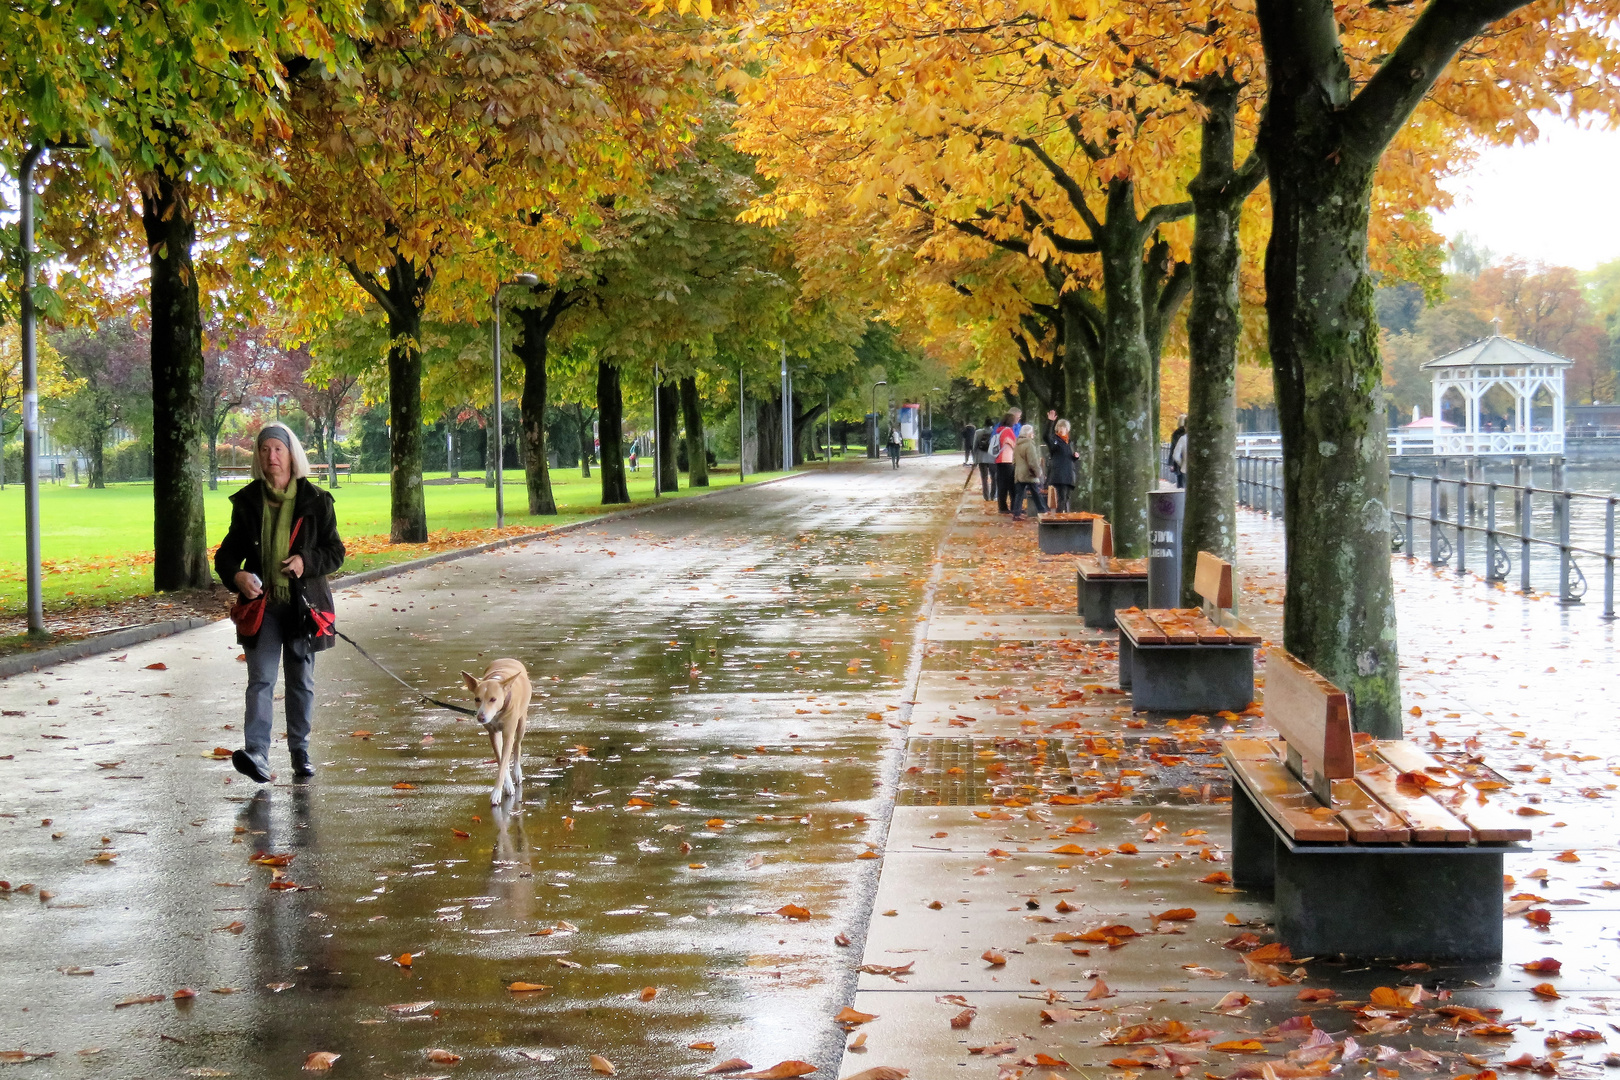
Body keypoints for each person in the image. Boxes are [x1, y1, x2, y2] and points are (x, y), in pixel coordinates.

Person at [215, 424, 346, 783]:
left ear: (291, 455)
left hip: (304, 607)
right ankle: (256, 753)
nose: (270, 456)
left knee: (300, 681)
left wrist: (305, 560)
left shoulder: (317, 501)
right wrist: (238, 577)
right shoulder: (247, 503)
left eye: (277, 449)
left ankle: (299, 750)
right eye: (264, 450)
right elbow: (226, 557)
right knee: (260, 679)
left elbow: (336, 552)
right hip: (263, 607)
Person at [1045, 411, 1081, 513]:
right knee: (1061, 498)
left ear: (1067, 429)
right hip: (1059, 474)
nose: (1062, 429)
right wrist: (1050, 422)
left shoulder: (1069, 442)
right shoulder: (1054, 441)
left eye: (1064, 427)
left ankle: (1064, 517)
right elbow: (1046, 437)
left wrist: (1075, 457)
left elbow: (1068, 457)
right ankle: (1060, 520)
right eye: (1060, 427)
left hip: (1068, 474)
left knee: (1066, 498)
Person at [1011, 423, 1047, 520]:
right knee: (1036, 493)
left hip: (1019, 473)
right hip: (1029, 473)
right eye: (1032, 433)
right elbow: (1032, 461)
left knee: (1019, 494)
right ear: (1029, 433)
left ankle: (1016, 514)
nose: (1033, 435)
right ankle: (1043, 511)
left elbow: (1014, 460)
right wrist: (1038, 472)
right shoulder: (1029, 444)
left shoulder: (1017, 444)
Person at [994, 410, 1018, 513]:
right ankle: (1014, 506)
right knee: (1012, 485)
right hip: (1007, 459)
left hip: (999, 459)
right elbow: (1013, 443)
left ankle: (1002, 506)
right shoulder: (1008, 431)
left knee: (1002, 485)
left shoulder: (1000, 430)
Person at [972, 417, 996, 499]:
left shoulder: (978, 432)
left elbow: (974, 446)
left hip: (981, 458)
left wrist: (975, 460)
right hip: (993, 458)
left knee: (984, 478)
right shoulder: (995, 432)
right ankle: (993, 495)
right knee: (994, 478)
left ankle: (986, 496)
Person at [1168, 414, 1188, 488]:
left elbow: (1173, 449)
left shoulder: (1177, 434)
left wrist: (1172, 463)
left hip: (1182, 463)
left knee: (1181, 485)